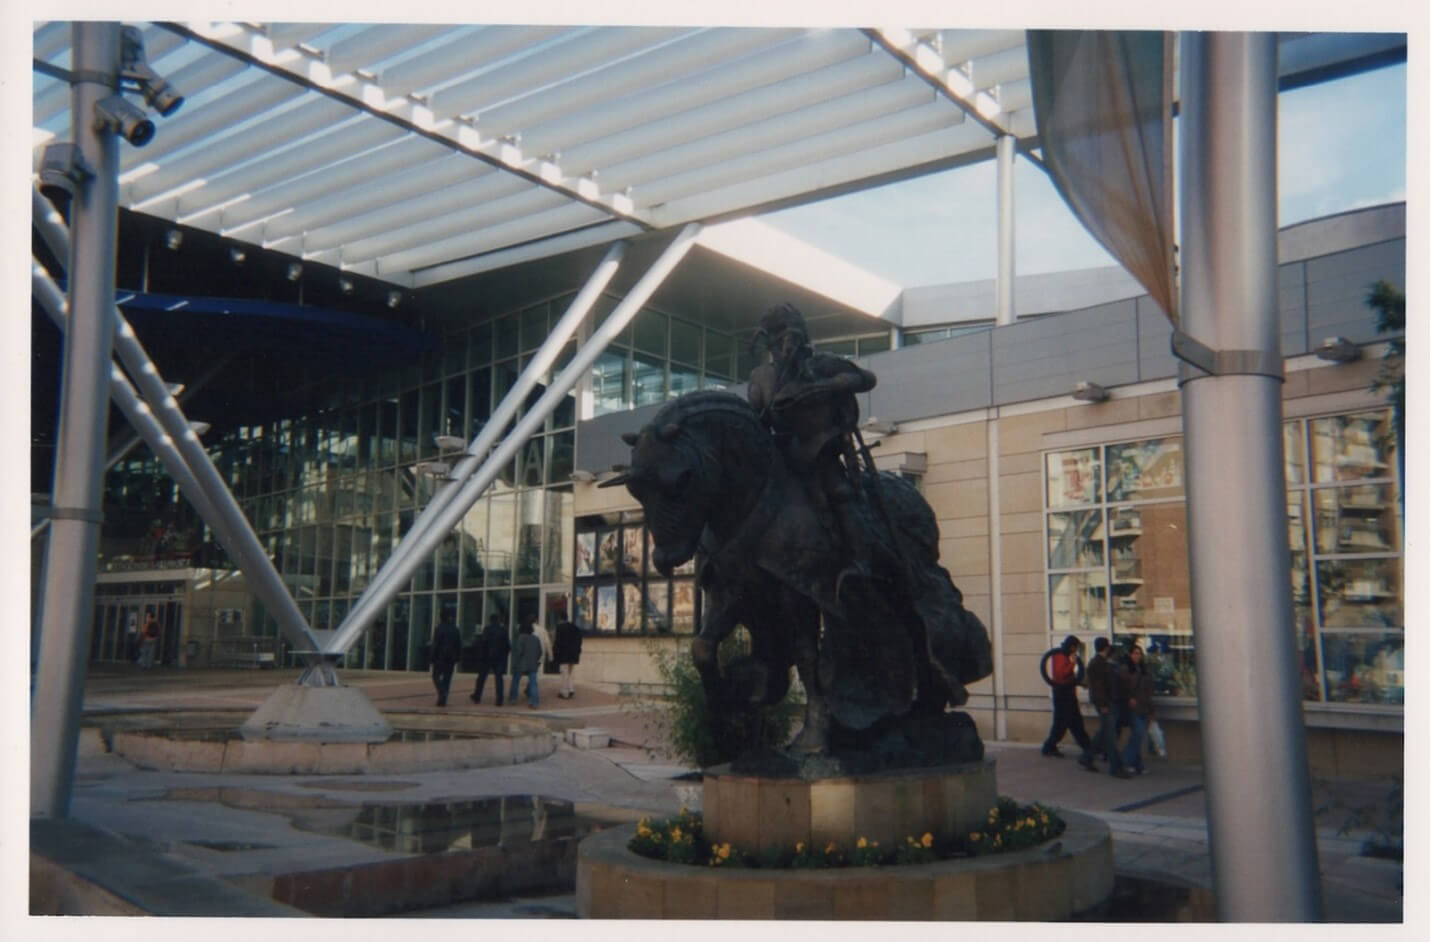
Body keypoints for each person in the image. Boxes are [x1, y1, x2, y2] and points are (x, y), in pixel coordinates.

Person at [746, 302, 877, 594]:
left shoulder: (823, 365)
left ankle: (860, 560)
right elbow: (754, 418)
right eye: (777, 340)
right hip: (779, 457)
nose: (784, 347)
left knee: (839, 492)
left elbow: (867, 379)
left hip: (820, 451)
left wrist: (830, 386)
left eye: (788, 338)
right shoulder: (761, 377)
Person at [1041, 634, 1093, 759]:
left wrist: (1080, 682)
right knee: (1072, 723)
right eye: (1075, 648)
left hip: (1066, 692)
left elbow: (1069, 677)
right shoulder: (1060, 656)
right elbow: (1061, 674)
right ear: (1072, 647)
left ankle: (1049, 747)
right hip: (1062, 694)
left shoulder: (1064, 655)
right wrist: (1072, 663)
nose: (1076, 651)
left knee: (1063, 723)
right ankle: (1088, 748)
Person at [1082, 637, 1123, 775]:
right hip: (1105, 703)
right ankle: (1116, 767)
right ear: (1105, 647)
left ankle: (1087, 757)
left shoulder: (1101, 662)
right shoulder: (1097, 664)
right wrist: (1103, 704)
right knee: (1110, 736)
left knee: (1104, 732)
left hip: (1106, 701)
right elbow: (1098, 687)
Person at [1117, 643, 1156, 776]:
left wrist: (1151, 711)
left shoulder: (1144, 670)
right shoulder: (1125, 669)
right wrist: (1129, 698)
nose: (1137, 656)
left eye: (1139, 653)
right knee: (1138, 734)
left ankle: (1137, 764)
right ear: (1130, 654)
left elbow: (1149, 691)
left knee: (1138, 736)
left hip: (1144, 706)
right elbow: (1122, 687)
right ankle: (1126, 761)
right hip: (1132, 707)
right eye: (1134, 653)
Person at [470, 614, 511, 706]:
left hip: (487, 657)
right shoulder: (503, 630)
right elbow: (507, 646)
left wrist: (481, 655)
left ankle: (477, 696)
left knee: (481, 678)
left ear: (491, 620)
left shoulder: (487, 630)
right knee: (499, 678)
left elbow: (483, 643)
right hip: (499, 657)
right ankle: (499, 699)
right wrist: (504, 655)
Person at [429, 611, 463, 707]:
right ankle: (443, 698)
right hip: (451, 657)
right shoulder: (455, 629)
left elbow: (435, 644)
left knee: (435, 676)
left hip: (440, 657)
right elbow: (459, 644)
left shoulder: (439, 629)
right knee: (447, 678)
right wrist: (458, 656)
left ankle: (441, 693)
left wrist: (432, 657)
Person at [508, 621, 544, 709]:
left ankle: (513, 698)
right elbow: (540, 652)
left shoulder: (521, 638)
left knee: (515, 681)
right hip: (533, 664)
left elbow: (519, 652)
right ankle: (534, 702)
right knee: (533, 683)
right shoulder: (536, 639)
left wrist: (515, 663)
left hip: (521, 663)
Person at [553, 617, 582, 699]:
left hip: (563, 655)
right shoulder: (575, 628)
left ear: (560, 619)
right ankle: (571, 689)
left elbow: (557, 642)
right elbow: (579, 641)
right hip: (574, 655)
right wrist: (577, 652)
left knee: (564, 674)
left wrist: (555, 653)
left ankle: (564, 692)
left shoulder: (560, 628)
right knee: (570, 673)